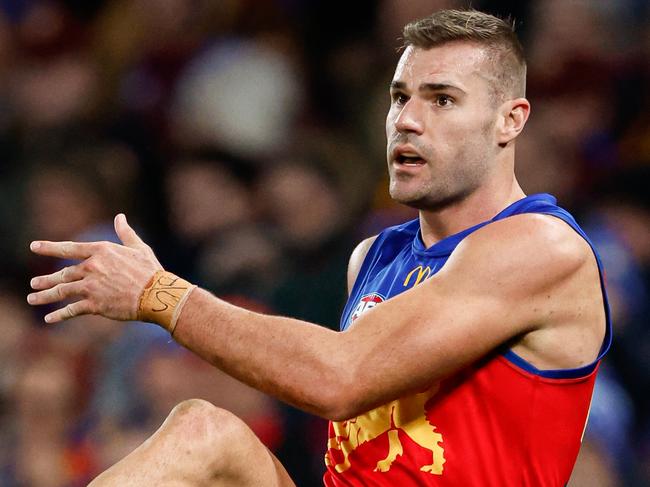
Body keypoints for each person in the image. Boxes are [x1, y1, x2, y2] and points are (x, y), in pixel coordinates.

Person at [27, 9, 611, 487]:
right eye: (399, 97)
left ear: (510, 120)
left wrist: (158, 293)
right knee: (202, 432)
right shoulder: (375, 257)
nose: (407, 120)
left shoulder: (540, 245)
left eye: (443, 100)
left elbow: (340, 378)